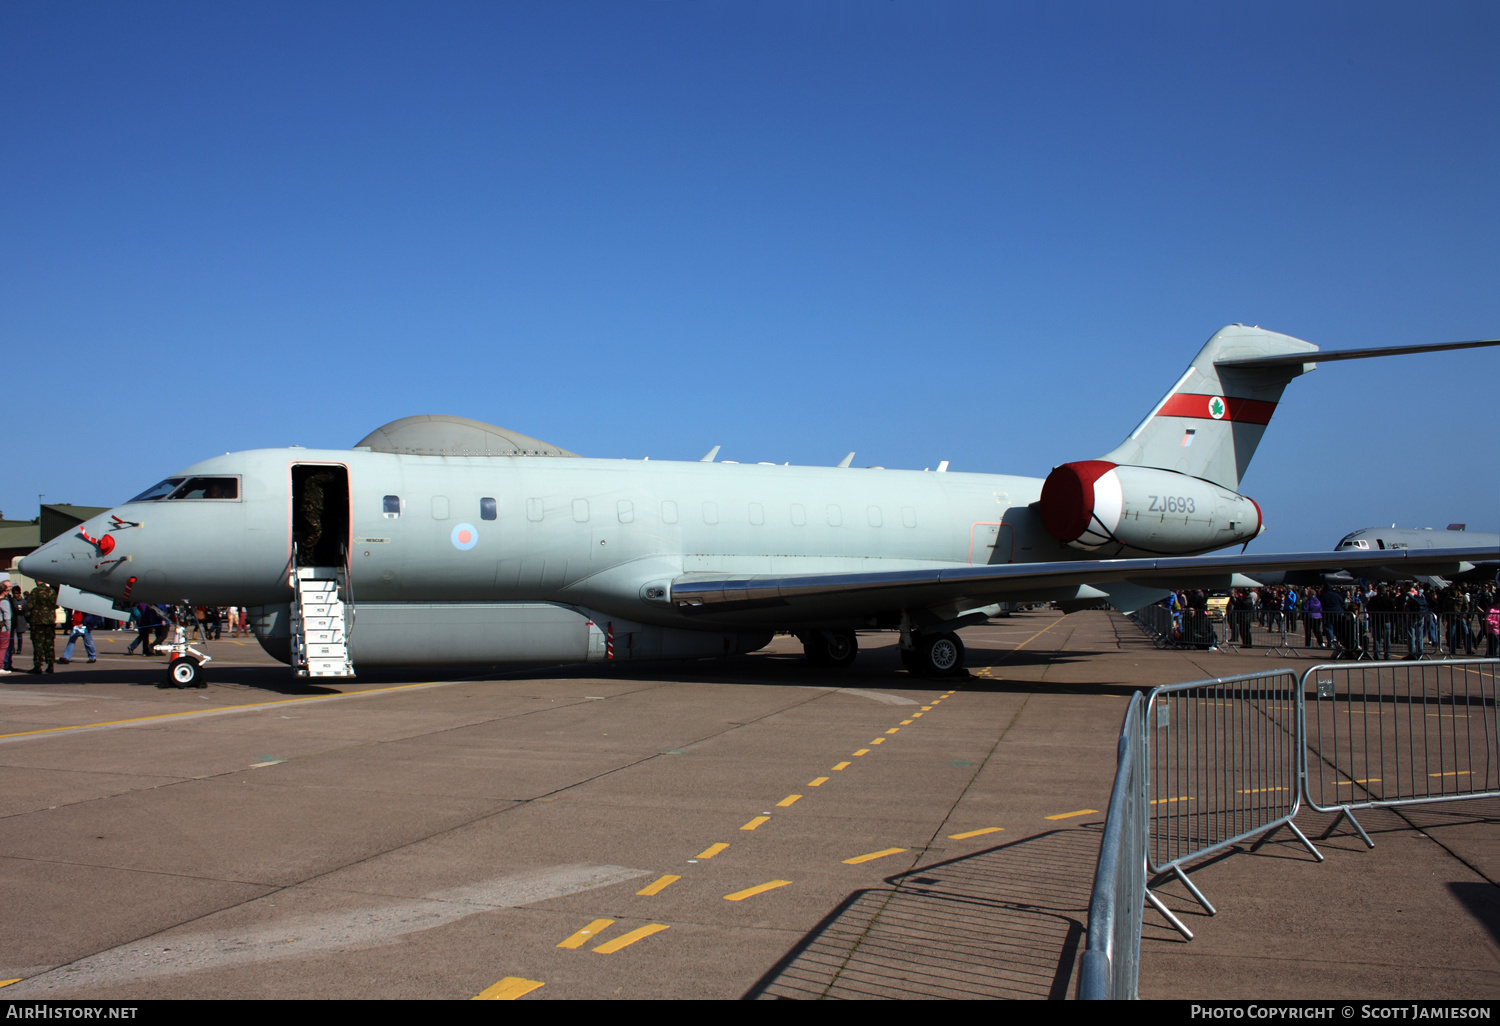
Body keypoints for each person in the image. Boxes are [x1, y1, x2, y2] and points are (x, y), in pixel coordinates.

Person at [28, 581, 57, 674]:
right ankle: (50, 665)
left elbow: (30, 605)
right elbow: (56, 605)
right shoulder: (51, 591)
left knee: (38, 644)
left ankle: (38, 666)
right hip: (50, 620)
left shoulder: (36, 591)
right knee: (49, 643)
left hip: (38, 621)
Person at [0, 581, 11, 675]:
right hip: (2, 628)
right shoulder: (3, 601)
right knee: (3, 648)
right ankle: (0, 666)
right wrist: (8, 629)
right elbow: (7, 617)